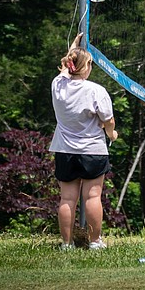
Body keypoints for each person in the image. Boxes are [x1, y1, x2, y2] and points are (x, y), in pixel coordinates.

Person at [49, 32, 118, 250]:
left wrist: (74, 47)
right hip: (93, 150)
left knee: (67, 199)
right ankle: (95, 242)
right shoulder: (96, 90)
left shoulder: (57, 85)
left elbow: (64, 68)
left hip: (64, 149)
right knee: (93, 197)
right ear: (85, 66)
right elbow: (109, 120)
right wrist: (112, 134)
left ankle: (67, 244)